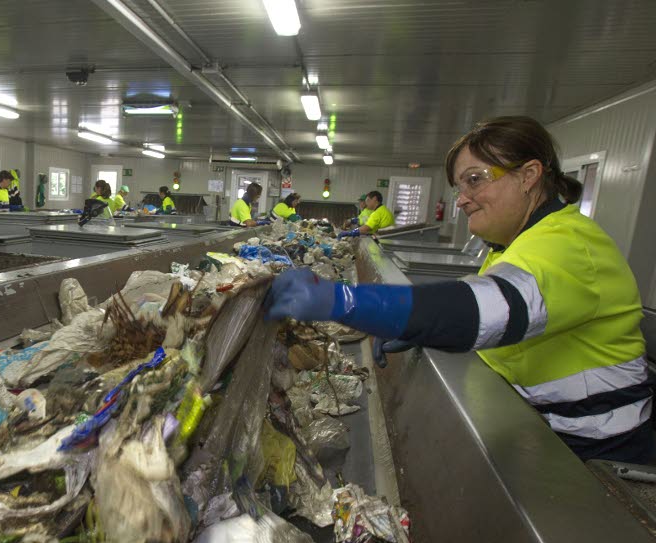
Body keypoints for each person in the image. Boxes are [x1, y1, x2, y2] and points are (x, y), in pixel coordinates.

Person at [266, 115, 653, 464]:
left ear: (529, 174)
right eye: (459, 186)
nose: (462, 198)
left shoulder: (569, 244)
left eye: (475, 179)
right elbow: (485, 305)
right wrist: (415, 328)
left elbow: (480, 310)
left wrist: (344, 299)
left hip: (599, 455)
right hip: (548, 432)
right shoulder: (514, 245)